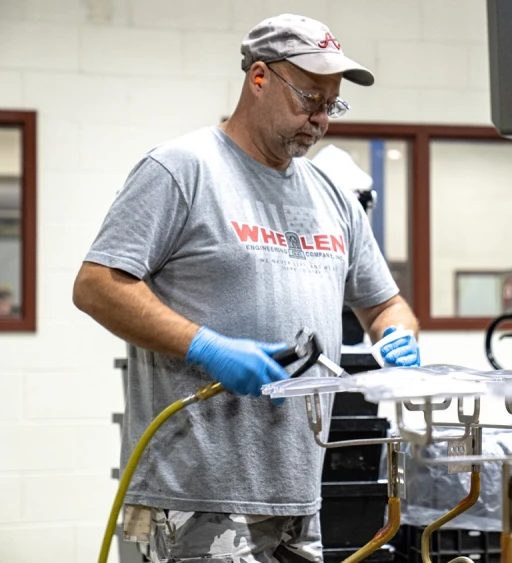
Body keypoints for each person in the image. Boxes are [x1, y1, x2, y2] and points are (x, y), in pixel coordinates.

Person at [72, 14, 420, 562]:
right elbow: (97, 286)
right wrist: (205, 345)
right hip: (188, 498)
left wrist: (397, 333)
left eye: (332, 104)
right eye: (309, 98)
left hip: (298, 498)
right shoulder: (181, 170)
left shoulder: (333, 197)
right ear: (259, 78)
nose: (320, 118)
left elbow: (385, 303)